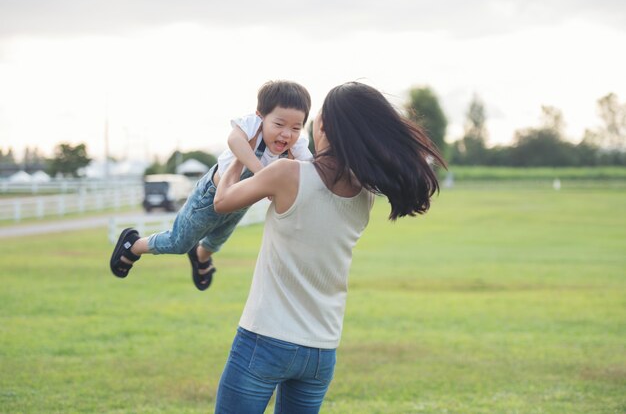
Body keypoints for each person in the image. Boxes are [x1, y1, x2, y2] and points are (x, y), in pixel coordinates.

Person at [211, 81, 446, 413]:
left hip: (264, 339)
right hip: (321, 351)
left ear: (323, 127)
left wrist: (242, 151)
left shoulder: (286, 174)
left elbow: (222, 201)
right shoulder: (365, 194)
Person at [109, 81, 313, 290]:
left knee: (216, 240)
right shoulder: (254, 126)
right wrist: (262, 173)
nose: (287, 134)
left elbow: (311, 168)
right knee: (178, 242)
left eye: (296, 127)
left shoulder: (296, 144)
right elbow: (234, 140)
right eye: (279, 125)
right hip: (210, 195)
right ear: (261, 116)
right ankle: (132, 245)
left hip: (240, 201)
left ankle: (200, 257)